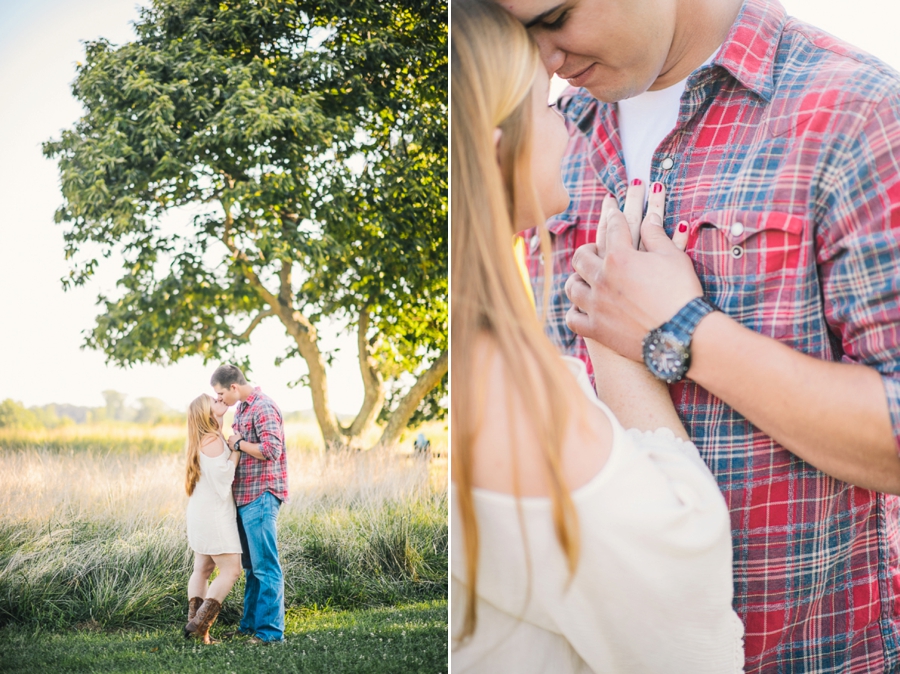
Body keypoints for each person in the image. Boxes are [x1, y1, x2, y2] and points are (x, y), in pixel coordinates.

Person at [501, 0, 900, 670]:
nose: (543, 58)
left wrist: (683, 332)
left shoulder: (857, 111)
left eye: (556, 16)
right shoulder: (547, 136)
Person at [450, 1, 743, 671]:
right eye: (546, 107)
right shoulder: (507, 394)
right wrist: (622, 349)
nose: (568, 116)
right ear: (499, 151)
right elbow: (690, 637)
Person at [211, 364, 288, 644]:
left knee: (266, 567)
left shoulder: (264, 407)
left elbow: (271, 450)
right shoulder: (241, 408)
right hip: (244, 496)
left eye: (220, 393)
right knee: (252, 568)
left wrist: (240, 443)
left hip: (262, 495)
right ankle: (249, 628)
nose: (219, 399)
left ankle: (270, 634)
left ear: (233, 386)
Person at [183, 394, 243, 644]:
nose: (219, 399)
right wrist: (237, 449)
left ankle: (197, 627)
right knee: (231, 570)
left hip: (200, 512)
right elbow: (224, 478)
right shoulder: (212, 439)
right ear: (207, 413)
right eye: (213, 400)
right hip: (214, 515)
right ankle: (200, 625)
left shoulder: (204, 437)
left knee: (203, 569)